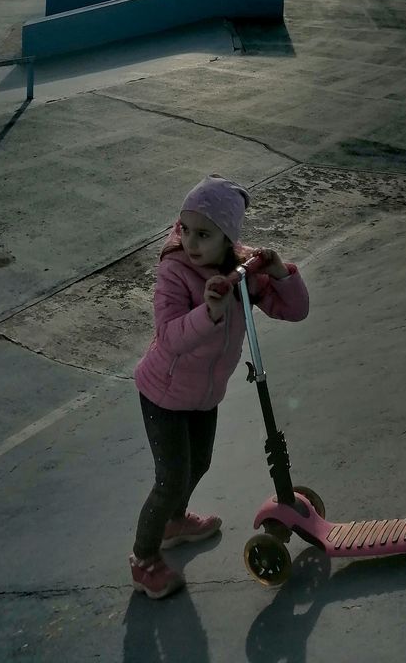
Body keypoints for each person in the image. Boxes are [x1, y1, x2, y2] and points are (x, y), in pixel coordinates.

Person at [129, 175, 309, 599]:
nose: (190, 242)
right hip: (162, 392)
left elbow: (294, 311)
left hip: (203, 396)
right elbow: (169, 335)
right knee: (171, 477)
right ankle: (143, 557)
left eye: (204, 234)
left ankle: (174, 523)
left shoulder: (241, 272)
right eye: (184, 229)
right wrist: (208, 312)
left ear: (228, 238)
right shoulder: (174, 271)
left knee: (201, 463)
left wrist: (281, 273)